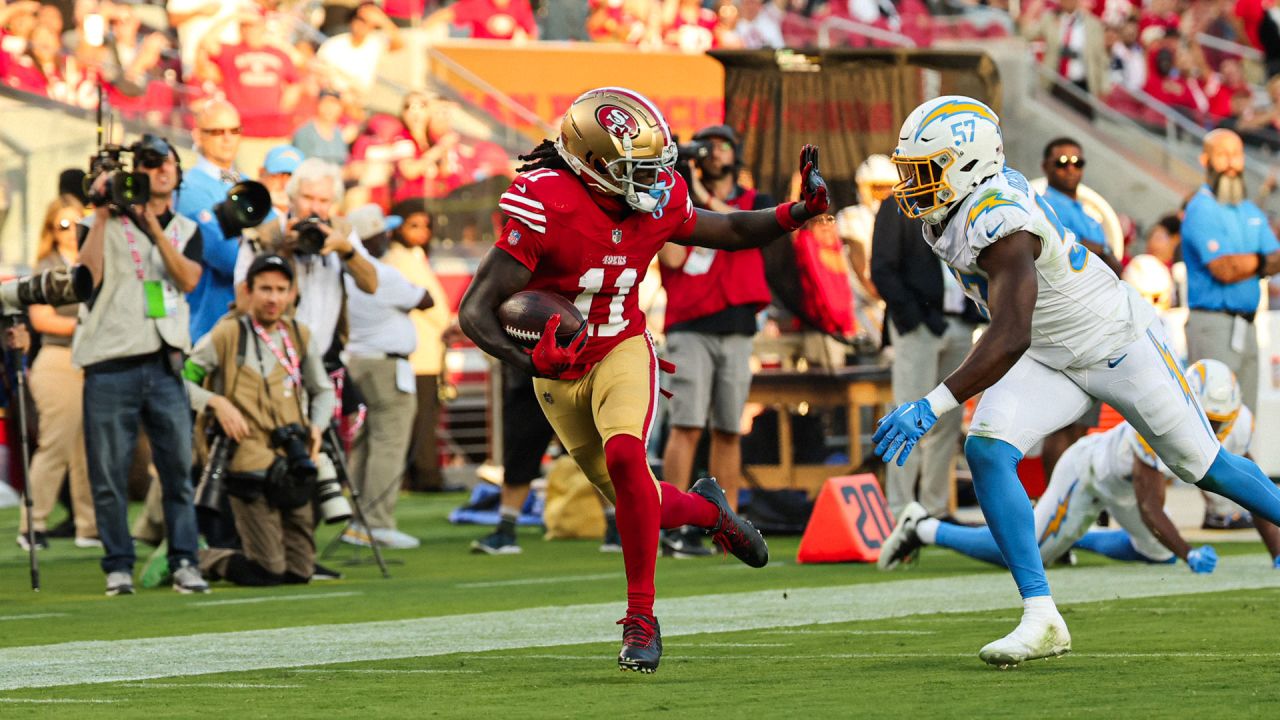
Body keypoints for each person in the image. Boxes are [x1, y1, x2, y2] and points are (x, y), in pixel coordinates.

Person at [873, 95, 1280, 668]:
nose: (913, 183)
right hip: (1050, 352)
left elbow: (1009, 332)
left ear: (966, 164)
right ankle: (1041, 617)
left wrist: (932, 403)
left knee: (1207, 468)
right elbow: (1021, 332)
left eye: (926, 168)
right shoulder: (954, 208)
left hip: (1117, 345)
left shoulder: (999, 217)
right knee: (988, 450)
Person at [459, 86, 828, 673]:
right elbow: (474, 312)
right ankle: (711, 513)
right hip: (557, 372)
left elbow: (727, 230)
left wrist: (798, 213)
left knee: (631, 460)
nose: (654, 182)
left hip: (623, 347)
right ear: (591, 164)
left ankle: (641, 620)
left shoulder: (657, 202)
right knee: (641, 502)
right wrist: (532, 361)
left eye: (657, 167)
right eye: (636, 170)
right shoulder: (545, 202)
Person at [881, 359, 1280, 574]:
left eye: (1217, 422)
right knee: (1024, 551)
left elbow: (1250, 486)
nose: (1209, 429)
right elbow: (1150, 505)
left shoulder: (1242, 423)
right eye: (1205, 420)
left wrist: (1276, 553)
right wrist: (1189, 553)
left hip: (1122, 488)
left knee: (1158, 555)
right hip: (1088, 473)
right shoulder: (1165, 420)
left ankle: (1073, 539)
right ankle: (924, 527)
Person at [75, 134, 209, 596]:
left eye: (168, 162)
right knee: (108, 472)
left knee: (177, 470)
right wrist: (100, 211)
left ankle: (185, 561)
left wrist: (153, 229)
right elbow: (85, 278)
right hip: (110, 360)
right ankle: (117, 565)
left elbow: (188, 280)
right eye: (150, 163)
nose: (162, 170)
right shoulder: (104, 221)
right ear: (136, 171)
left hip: (165, 360)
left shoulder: (187, 229)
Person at [657, 123, 771, 558]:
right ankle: (671, 523)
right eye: (706, 147)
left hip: (738, 326)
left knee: (728, 428)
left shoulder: (751, 203)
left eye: (721, 146)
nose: (713, 153)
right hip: (690, 324)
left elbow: (737, 225)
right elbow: (672, 256)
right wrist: (677, 200)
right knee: (686, 424)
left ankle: (730, 527)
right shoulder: (676, 206)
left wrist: (695, 198)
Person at [185, 254, 335, 585]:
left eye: (282, 289)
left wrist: (317, 428)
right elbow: (181, 381)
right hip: (247, 459)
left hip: (292, 457)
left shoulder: (299, 335)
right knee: (268, 572)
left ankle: (200, 554)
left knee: (300, 573)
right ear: (247, 291)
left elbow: (323, 391)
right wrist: (216, 402)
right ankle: (195, 558)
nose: (273, 298)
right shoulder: (225, 335)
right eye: (265, 289)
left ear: (293, 293)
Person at [869, 177, 983, 521]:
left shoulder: (964, 200)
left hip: (959, 321)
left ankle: (935, 506)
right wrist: (912, 315)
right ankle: (901, 508)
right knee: (906, 411)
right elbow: (882, 268)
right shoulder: (898, 204)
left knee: (947, 419)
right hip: (918, 323)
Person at [338, 204, 433, 549]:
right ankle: (377, 522)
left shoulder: (343, 273)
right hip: (386, 366)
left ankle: (357, 520)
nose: (388, 238)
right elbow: (426, 298)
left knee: (364, 446)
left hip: (357, 362)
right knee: (388, 443)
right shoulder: (381, 273)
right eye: (381, 233)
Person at [1035, 137, 1123, 480]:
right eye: (1061, 162)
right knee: (1062, 422)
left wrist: (1097, 250)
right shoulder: (1041, 206)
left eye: (1077, 162)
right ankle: (1054, 500)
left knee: (1082, 425)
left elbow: (1112, 266)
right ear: (1046, 168)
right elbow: (1061, 253)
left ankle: (1072, 497)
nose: (1070, 168)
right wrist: (1097, 250)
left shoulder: (1089, 215)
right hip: (1063, 322)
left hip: (1095, 323)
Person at [235, 158, 379, 360]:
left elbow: (372, 284)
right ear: (291, 198)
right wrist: (281, 253)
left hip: (325, 357)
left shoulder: (341, 232)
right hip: (274, 356)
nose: (314, 208)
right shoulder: (263, 235)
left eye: (323, 201)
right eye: (308, 198)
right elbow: (243, 304)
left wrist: (346, 251)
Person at [17, 197, 97, 551]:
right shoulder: (45, 266)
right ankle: (31, 524)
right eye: (61, 225)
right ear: (50, 230)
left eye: (75, 223)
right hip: (58, 359)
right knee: (56, 444)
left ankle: (89, 526)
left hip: (92, 359)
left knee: (88, 448)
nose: (68, 232)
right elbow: (42, 320)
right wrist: (90, 325)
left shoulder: (96, 261)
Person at [1181, 129, 1280, 416]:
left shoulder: (1249, 209)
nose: (1232, 163)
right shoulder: (1201, 207)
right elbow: (1224, 269)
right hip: (1213, 324)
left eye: (1237, 155)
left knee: (1245, 420)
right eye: (1223, 155)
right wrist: (1261, 262)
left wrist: (1247, 263)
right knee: (1213, 417)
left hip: (1248, 325)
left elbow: (1276, 258)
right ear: (1205, 159)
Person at [383, 198, 454, 492]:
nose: (421, 231)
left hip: (423, 350)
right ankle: (426, 477)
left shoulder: (412, 257)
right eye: (414, 225)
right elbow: (431, 304)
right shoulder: (399, 259)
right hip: (418, 352)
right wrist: (453, 326)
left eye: (425, 225)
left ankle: (418, 476)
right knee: (422, 419)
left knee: (420, 417)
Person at [316, 2, 403, 96]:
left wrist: (382, 19)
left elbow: (399, 44)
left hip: (359, 98)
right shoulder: (334, 44)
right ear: (352, 20)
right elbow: (318, 72)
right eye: (360, 19)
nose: (362, 25)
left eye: (368, 22)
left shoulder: (375, 45)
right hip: (332, 95)